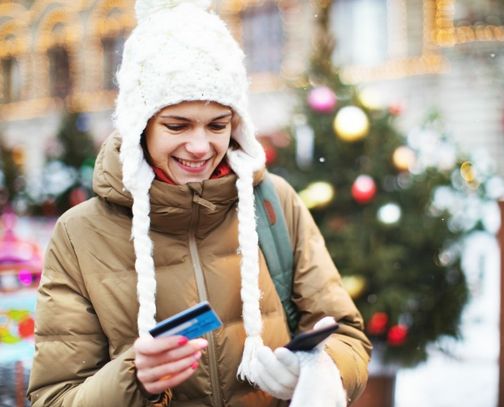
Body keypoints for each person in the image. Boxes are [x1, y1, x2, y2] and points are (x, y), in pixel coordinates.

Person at [27, 1, 371, 406]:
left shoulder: (275, 203)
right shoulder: (79, 236)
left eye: (217, 125)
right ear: (141, 126)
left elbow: (347, 335)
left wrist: (321, 371)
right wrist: (133, 378)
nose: (199, 146)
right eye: (177, 125)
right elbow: (54, 397)